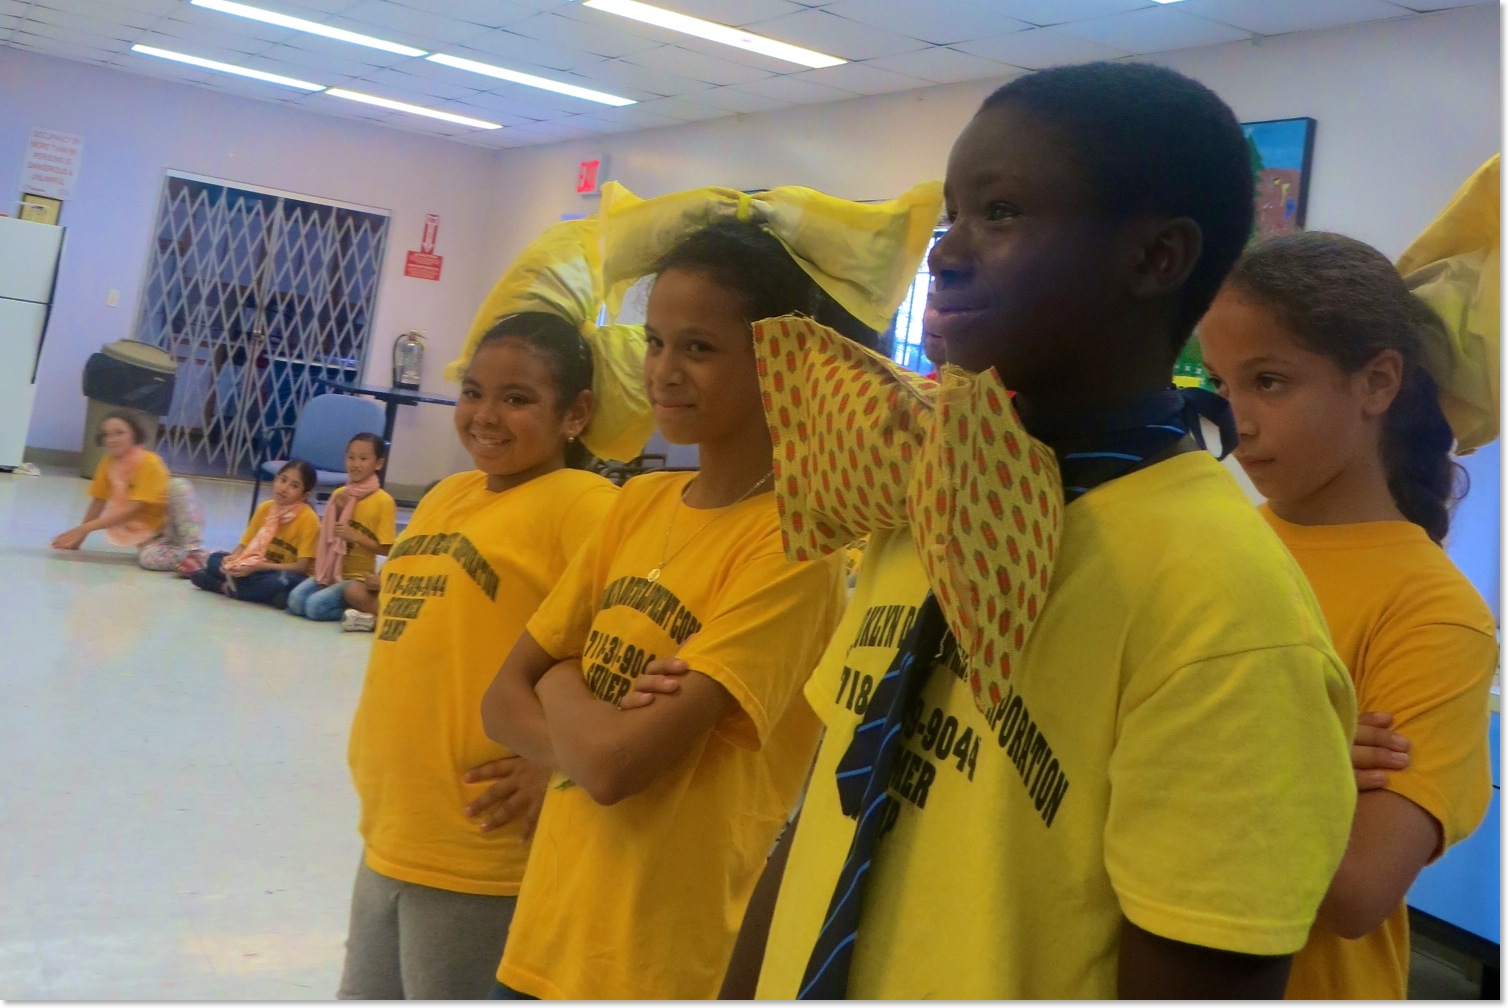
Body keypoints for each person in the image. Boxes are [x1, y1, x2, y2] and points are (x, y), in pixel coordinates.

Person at [628, 62, 1356, 1000]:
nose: (947, 254)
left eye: (1000, 213)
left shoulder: (1224, 605)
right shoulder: (929, 497)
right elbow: (826, 823)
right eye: (952, 216)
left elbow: (1202, 972)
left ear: (1155, 258)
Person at [479, 179, 939, 1001]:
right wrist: (580, 716)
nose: (663, 371)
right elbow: (499, 702)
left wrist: (561, 679)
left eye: (698, 347)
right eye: (656, 341)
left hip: (664, 965)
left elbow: (615, 765)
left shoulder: (795, 549)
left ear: (781, 360)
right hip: (546, 938)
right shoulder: (637, 503)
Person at [337, 215, 650, 1001]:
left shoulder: (583, 504)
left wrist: (560, 765)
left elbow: (635, 653)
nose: (484, 414)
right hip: (392, 827)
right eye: (474, 392)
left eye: (517, 398)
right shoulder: (450, 493)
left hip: (482, 846)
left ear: (574, 413)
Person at [1198, 230, 1498, 1000]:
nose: (1238, 420)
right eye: (1222, 384)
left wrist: (1215, 735)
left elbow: (1358, 888)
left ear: (1377, 382)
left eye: (1268, 382)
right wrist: (1302, 748)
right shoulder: (1212, 542)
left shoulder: (1434, 613)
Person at [50, 409, 206, 572]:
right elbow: (98, 501)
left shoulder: (149, 462)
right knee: (148, 560)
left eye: (119, 433)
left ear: (133, 436)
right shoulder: (107, 464)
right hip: (152, 539)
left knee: (179, 485)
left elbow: (132, 510)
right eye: (107, 435)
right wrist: (79, 539)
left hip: (173, 527)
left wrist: (84, 529)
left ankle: (195, 552)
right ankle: (190, 558)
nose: (112, 439)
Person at [285, 433, 396, 624]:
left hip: (356, 578)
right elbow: (327, 536)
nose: (356, 464)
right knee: (295, 602)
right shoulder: (339, 494)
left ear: (378, 463)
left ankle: (361, 612)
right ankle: (347, 604)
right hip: (329, 571)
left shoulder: (384, 501)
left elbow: (387, 549)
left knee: (314, 608)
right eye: (351, 457)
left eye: (363, 458)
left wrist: (356, 537)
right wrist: (338, 512)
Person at [188, 460, 317, 607]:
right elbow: (244, 546)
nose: (284, 488)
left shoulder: (309, 519)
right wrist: (233, 560)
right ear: (276, 479)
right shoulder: (265, 508)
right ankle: (257, 592)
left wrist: (260, 566)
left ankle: (223, 587)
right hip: (257, 568)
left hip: (286, 573)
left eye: (294, 486)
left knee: (280, 581)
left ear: (304, 495)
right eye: (283, 480)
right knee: (214, 559)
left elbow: (300, 567)